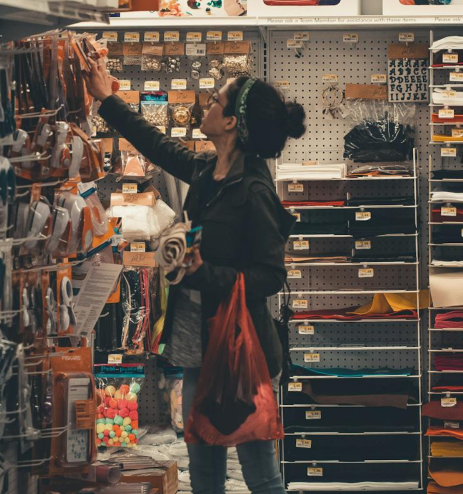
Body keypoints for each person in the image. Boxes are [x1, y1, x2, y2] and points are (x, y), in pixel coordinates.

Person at [85, 59, 305, 494]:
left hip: (242, 352)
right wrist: (106, 98)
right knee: (204, 477)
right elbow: (159, 146)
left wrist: (206, 274)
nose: (206, 104)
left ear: (230, 123)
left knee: (261, 476)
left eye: (216, 100)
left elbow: (269, 276)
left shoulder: (253, 191)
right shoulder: (210, 173)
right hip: (197, 349)